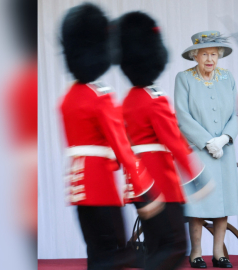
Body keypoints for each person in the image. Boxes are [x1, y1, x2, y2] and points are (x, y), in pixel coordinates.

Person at [59, 4, 160, 269]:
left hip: (79, 188)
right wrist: (145, 193)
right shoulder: (100, 96)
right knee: (117, 254)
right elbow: (122, 148)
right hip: (100, 187)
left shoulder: (67, 99)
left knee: (97, 253)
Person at [116, 11, 210, 270]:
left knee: (156, 245)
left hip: (138, 183)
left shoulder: (128, 99)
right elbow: (174, 140)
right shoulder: (154, 98)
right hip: (161, 182)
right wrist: (196, 176)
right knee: (174, 246)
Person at [174, 30, 238, 268]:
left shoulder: (227, 77)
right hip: (198, 152)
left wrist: (224, 139)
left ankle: (219, 254)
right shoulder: (184, 78)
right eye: (204, 55)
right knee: (198, 206)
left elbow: (236, 113)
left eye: (214, 54)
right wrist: (207, 141)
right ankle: (196, 253)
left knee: (222, 205)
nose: (210, 59)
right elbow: (182, 116)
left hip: (225, 151)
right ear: (195, 56)